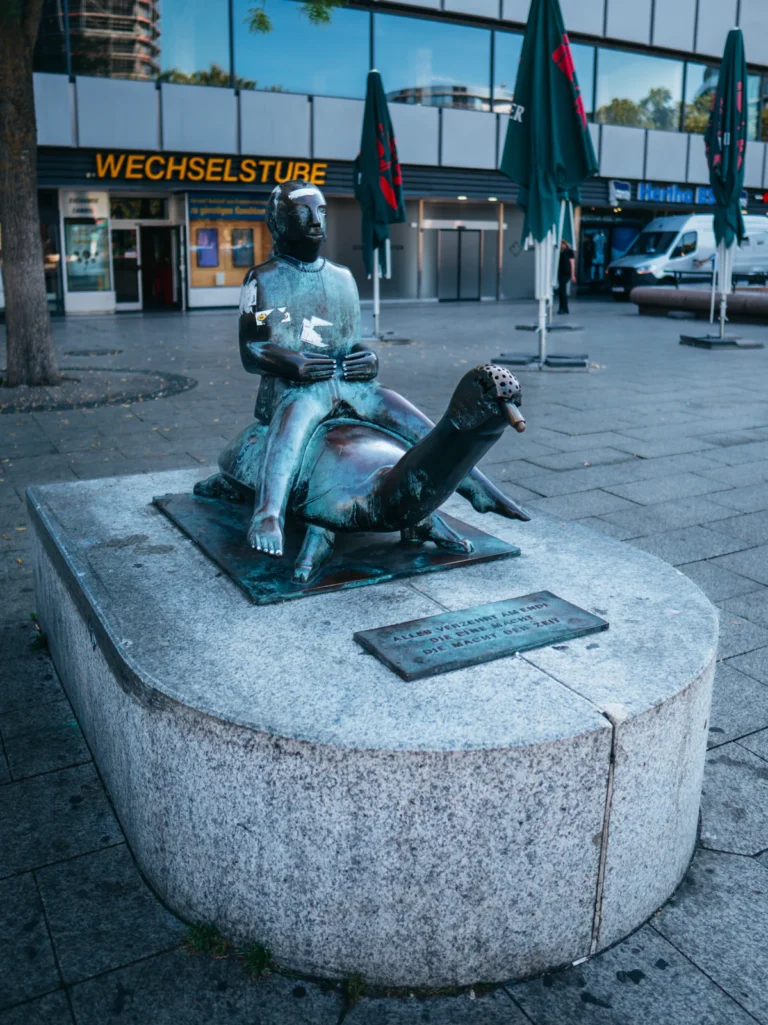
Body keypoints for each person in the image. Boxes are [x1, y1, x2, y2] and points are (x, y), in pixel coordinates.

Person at [220, 179, 526, 557]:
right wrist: (293, 363)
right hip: (296, 389)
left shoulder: (341, 278)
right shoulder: (262, 279)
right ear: (278, 222)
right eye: (302, 213)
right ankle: (268, 514)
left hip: (349, 385)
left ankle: (476, 485)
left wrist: (367, 357)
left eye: (321, 213)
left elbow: (350, 341)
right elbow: (252, 349)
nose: (316, 222)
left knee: (409, 417)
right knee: (290, 431)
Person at [557, 239, 576, 314]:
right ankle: (563, 308)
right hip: (560, 273)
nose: (561, 246)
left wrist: (573, 275)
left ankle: (563, 307)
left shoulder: (569, 252)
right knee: (561, 290)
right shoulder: (560, 252)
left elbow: (572, 264)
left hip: (566, 273)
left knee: (562, 289)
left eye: (562, 244)